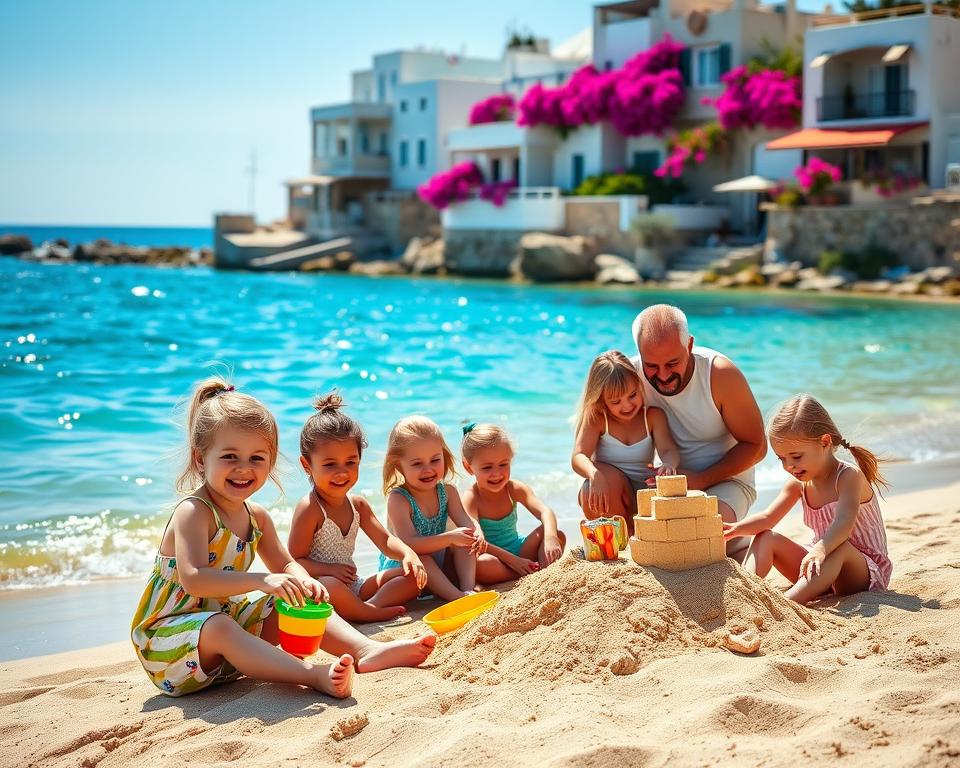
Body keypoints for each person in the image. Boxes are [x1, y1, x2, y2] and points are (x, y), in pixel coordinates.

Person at [130, 377, 436, 699]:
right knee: (221, 625)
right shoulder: (194, 511)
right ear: (199, 459)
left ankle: (366, 650)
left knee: (294, 597)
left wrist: (305, 582)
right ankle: (312, 675)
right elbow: (194, 580)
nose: (243, 469)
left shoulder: (256, 517)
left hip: (226, 646)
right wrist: (264, 580)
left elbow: (287, 563)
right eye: (230, 457)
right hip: (170, 648)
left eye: (257, 458)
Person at [723, 394, 892, 604]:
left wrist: (822, 549)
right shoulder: (799, 484)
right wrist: (735, 529)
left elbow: (843, 523)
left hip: (861, 572)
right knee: (766, 536)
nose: (788, 466)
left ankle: (786, 603)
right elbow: (768, 517)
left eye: (796, 457)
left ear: (824, 441)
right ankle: (747, 589)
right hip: (820, 564)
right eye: (782, 459)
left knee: (838, 547)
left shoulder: (849, 476)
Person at [632, 304, 766, 556]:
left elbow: (758, 447)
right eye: (651, 365)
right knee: (594, 494)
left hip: (728, 483)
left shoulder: (719, 374)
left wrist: (701, 480)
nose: (663, 375)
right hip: (669, 486)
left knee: (691, 540)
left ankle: (735, 542)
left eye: (673, 363)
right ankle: (731, 544)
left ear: (690, 345)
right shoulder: (631, 376)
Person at [288, 393, 427, 623]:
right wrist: (328, 570)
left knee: (413, 576)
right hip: (321, 590)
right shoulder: (310, 508)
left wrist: (408, 553)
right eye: (330, 464)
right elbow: (294, 562)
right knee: (330, 584)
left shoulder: (358, 505)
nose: (342, 472)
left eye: (350, 462)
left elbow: (386, 541)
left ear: (360, 459)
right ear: (306, 465)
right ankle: (367, 613)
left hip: (355, 585)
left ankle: (368, 607)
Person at [379, 415, 485, 601]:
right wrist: (450, 538)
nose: (428, 469)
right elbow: (409, 543)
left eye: (435, 460)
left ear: (443, 455)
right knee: (425, 556)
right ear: (398, 465)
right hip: (407, 569)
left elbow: (466, 521)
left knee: (465, 538)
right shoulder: (399, 499)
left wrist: (477, 533)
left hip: (439, 569)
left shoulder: (448, 492)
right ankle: (458, 598)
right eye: (417, 463)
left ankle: (468, 589)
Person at [572, 350, 681, 530]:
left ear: (639, 385)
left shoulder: (652, 416)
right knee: (589, 489)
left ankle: (637, 533)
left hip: (643, 494)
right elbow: (578, 456)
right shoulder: (597, 418)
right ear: (601, 400)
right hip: (610, 493)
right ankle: (620, 536)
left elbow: (669, 450)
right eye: (616, 402)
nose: (627, 405)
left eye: (632, 395)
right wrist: (594, 474)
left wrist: (669, 464)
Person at [460, 422, 566, 583]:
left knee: (556, 534)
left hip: (520, 549)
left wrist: (550, 537)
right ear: (469, 467)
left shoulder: (514, 488)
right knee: (481, 565)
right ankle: (531, 572)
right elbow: (478, 542)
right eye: (487, 467)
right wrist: (513, 561)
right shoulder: (471, 498)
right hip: (495, 557)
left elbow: (545, 511)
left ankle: (543, 576)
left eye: (503, 464)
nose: (497, 473)